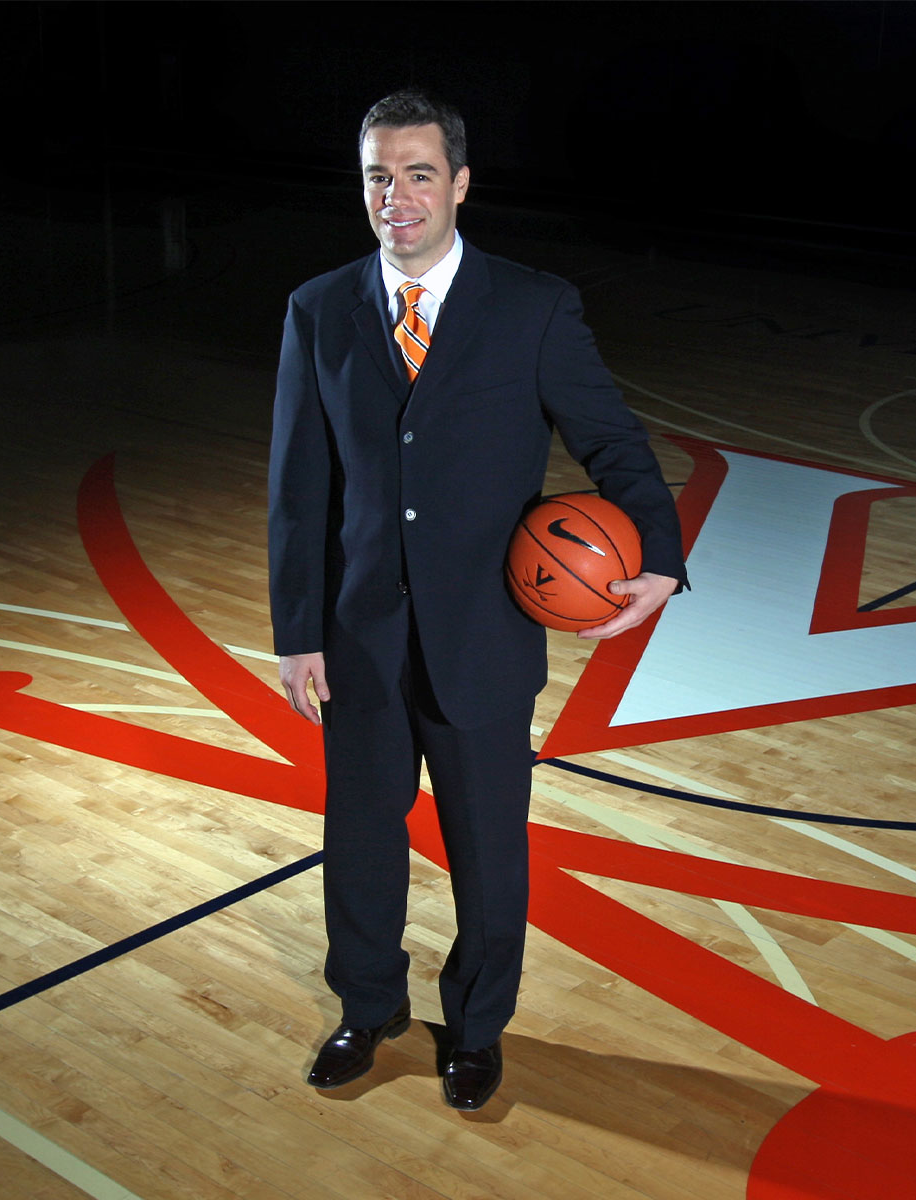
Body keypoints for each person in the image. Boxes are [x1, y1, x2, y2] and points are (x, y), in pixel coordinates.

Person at [267, 89, 686, 1111]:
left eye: (418, 174)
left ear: (459, 183)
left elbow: (615, 441)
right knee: (360, 839)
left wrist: (662, 556)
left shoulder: (531, 305)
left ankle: (479, 1028)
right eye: (378, 175)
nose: (395, 196)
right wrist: (296, 633)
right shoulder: (319, 308)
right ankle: (368, 1009)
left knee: (490, 853)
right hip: (359, 635)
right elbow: (298, 487)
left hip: (486, 637)